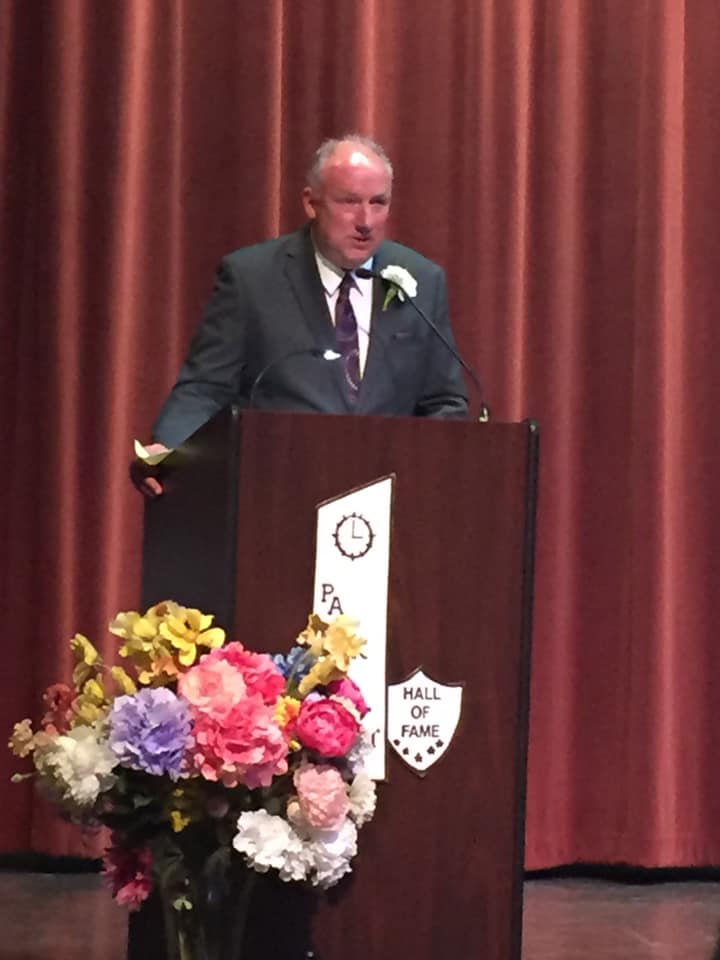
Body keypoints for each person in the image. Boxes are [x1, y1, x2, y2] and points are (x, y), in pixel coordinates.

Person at [131, 134, 469, 497]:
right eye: (350, 202)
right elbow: (206, 388)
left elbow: (444, 402)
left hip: (387, 496)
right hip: (278, 492)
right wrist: (168, 449)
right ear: (311, 203)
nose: (366, 220)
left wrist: (423, 469)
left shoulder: (422, 280)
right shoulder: (252, 279)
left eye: (379, 203)